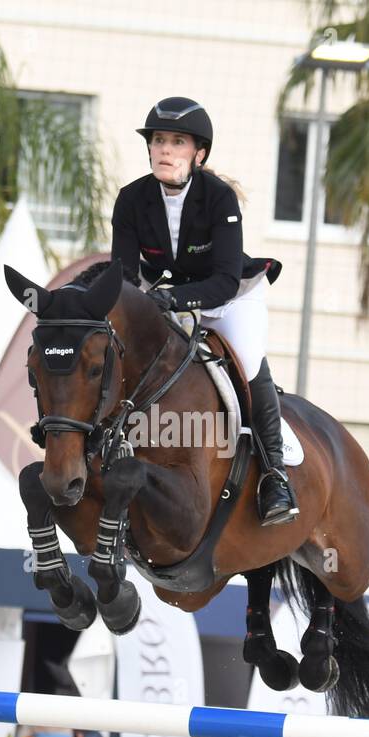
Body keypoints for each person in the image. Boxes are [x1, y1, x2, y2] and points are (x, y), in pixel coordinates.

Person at [110, 96, 298, 526]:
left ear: (199, 153)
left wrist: (170, 301)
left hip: (229, 299)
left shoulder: (219, 199)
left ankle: (274, 476)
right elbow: (122, 277)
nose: (165, 150)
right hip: (165, 301)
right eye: (159, 140)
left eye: (177, 142)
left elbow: (225, 280)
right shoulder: (131, 200)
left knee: (248, 363)